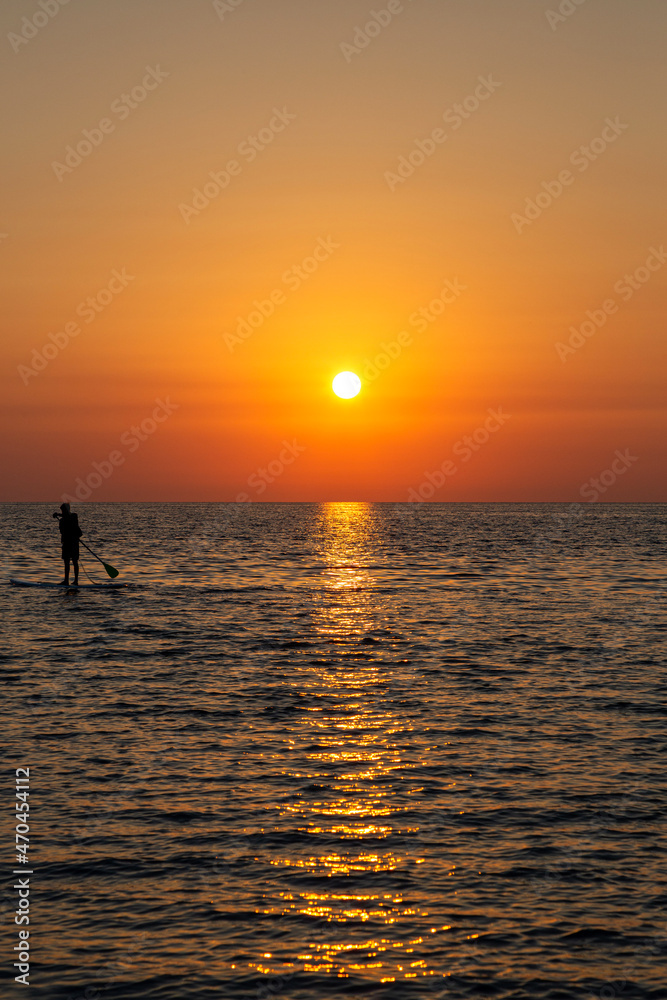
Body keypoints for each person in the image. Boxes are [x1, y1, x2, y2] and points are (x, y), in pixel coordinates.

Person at [56, 502, 82, 585]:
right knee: (66, 562)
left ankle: (76, 581)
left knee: (74, 561)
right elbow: (61, 531)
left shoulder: (74, 516)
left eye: (63, 510)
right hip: (66, 543)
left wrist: (59, 515)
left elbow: (69, 516)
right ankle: (66, 580)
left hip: (74, 543)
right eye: (61, 510)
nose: (62, 512)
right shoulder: (62, 520)